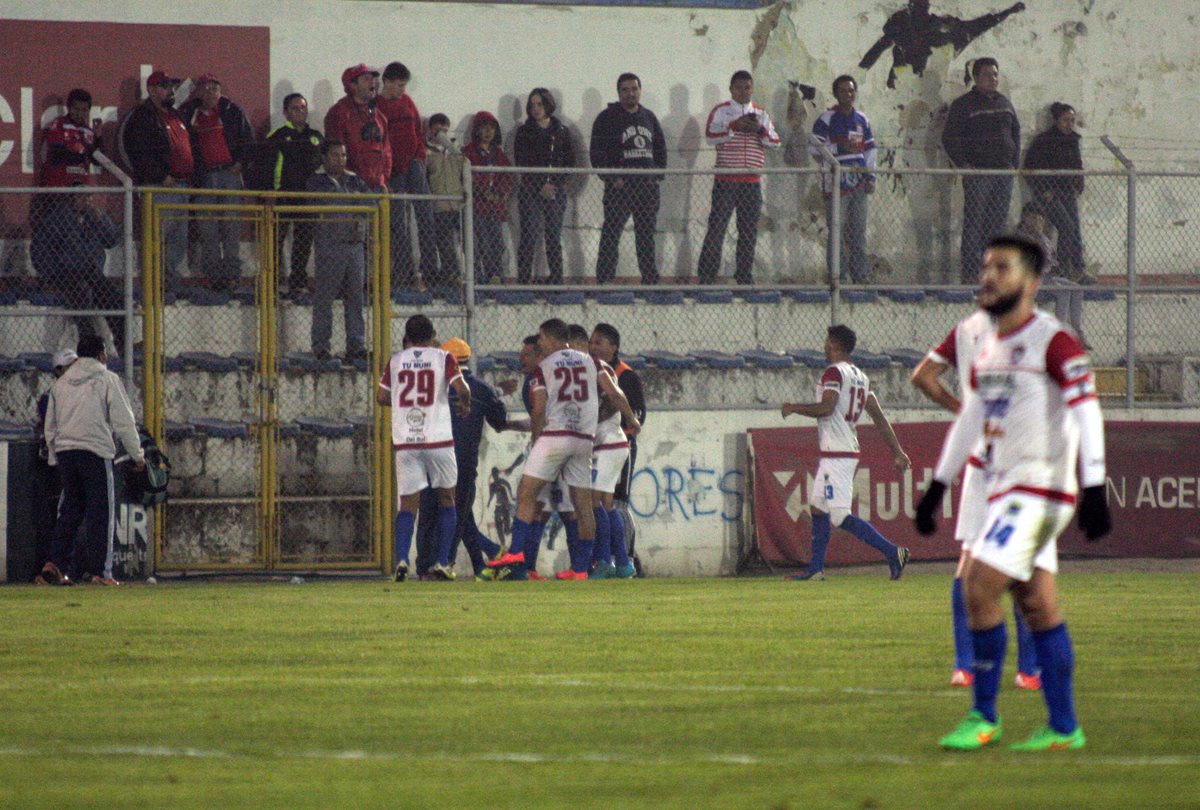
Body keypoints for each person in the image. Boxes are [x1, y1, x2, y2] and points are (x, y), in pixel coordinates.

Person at [916, 234, 1112, 751]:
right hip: (1005, 488)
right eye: (985, 267)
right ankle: (1064, 727)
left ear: (1031, 282)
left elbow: (1087, 410)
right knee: (1038, 604)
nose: (989, 276)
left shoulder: (1054, 340)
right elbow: (973, 416)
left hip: (1040, 489)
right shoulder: (989, 345)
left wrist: (1094, 485)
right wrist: (938, 484)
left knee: (978, 586)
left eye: (1001, 268)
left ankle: (983, 716)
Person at [911, 306, 1043, 691]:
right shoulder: (1036, 331)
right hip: (1019, 462)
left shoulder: (967, 330)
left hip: (980, 462)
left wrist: (963, 410)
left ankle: (964, 667)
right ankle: (1029, 671)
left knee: (968, 563)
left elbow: (923, 377)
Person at [488, 318, 640, 579]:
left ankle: (515, 553)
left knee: (527, 492)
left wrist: (537, 442)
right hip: (584, 440)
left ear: (553, 339)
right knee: (584, 505)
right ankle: (582, 568)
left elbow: (538, 411)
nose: (540, 343)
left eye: (542, 338)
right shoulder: (592, 362)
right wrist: (632, 419)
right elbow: (615, 393)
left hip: (556, 437)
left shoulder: (544, 367)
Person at [781, 325, 911, 580]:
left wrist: (795, 407)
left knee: (839, 516)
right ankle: (816, 570)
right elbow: (878, 417)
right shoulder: (861, 377)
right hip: (843, 451)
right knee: (818, 507)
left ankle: (893, 551)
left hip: (837, 454)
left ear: (834, 344)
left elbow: (827, 408)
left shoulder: (834, 373)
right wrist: (898, 451)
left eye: (827, 342)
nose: (824, 346)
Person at [39, 335, 145, 586]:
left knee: (70, 511)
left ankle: (55, 564)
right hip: (95, 451)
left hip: (66, 453)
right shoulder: (107, 379)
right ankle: (101, 572)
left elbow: (50, 426)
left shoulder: (60, 384)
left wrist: (55, 456)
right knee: (101, 513)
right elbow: (124, 421)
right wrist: (137, 455)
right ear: (101, 354)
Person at [377, 315, 471, 581]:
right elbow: (461, 388)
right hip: (439, 439)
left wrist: (405, 404)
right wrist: (465, 403)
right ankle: (442, 561)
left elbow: (382, 396)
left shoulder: (396, 361)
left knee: (407, 504)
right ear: (433, 335)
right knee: (447, 499)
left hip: (407, 441)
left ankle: (402, 559)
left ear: (407, 336)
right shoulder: (443, 357)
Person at [414, 338, 508, 580]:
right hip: (465, 461)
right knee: (458, 512)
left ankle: (430, 564)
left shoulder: (433, 386)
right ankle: (462, 559)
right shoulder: (481, 389)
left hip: (432, 456)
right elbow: (499, 421)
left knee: (430, 512)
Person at [697, 70, 781, 286]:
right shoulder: (721, 111)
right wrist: (735, 126)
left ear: (753, 89)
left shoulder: (761, 114)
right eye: (739, 87)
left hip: (751, 183)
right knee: (717, 229)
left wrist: (759, 130)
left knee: (749, 232)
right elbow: (710, 138)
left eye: (747, 87)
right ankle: (707, 277)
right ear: (731, 89)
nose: (743, 91)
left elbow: (775, 142)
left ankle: (744, 276)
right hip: (726, 180)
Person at [942, 57, 1020, 284]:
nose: (992, 79)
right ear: (976, 77)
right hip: (978, 173)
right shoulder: (964, 105)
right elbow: (949, 137)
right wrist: (963, 164)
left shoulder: (1005, 103)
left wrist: (1013, 161)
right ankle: (970, 274)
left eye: (995, 75)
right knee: (975, 223)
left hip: (1003, 174)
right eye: (987, 75)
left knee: (997, 224)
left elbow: (1015, 132)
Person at [571, 325, 640, 580]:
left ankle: (605, 561)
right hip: (610, 444)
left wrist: (631, 419)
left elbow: (615, 397)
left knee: (594, 502)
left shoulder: (596, 367)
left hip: (609, 443)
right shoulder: (588, 369)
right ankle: (622, 563)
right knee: (606, 504)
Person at [178, 74, 255, 291]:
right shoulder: (188, 113)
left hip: (229, 174)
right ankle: (213, 276)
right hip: (204, 177)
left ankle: (232, 275)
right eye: (206, 88)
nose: (211, 92)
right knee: (207, 228)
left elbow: (248, 140)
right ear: (198, 91)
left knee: (231, 226)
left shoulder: (233, 111)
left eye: (215, 88)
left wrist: (240, 163)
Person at [590, 73, 667, 285]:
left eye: (634, 89)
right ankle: (605, 278)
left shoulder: (649, 118)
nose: (630, 93)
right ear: (619, 93)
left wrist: (657, 175)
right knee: (611, 233)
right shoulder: (606, 118)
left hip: (647, 188)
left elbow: (660, 148)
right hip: (620, 189)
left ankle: (649, 278)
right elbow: (596, 153)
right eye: (625, 90)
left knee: (646, 235)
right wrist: (611, 177)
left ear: (640, 90)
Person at [118, 70, 193, 288]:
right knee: (157, 237)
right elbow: (137, 152)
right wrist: (161, 175)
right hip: (159, 186)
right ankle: (154, 284)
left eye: (172, 87)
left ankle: (169, 282)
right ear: (151, 90)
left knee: (178, 239)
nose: (171, 91)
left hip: (182, 185)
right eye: (165, 86)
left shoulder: (176, 115)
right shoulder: (143, 116)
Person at [29, 186, 124, 356]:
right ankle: (89, 348)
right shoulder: (56, 219)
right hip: (64, 273)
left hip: (91, 273)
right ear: (71, 198)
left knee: (115, 298)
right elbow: (39, 252)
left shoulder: (93, 218)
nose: (86, 201)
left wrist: (101, 219)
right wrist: (52, 273)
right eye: (81, 197)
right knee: (81, 293)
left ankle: (124, 346)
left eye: (88, 197)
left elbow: (111, 240)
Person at [305, 140, 371, 363]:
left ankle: (356, 345)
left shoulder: (355, 179)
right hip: (330, 245)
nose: (341, 160)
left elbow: (370, 204)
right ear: (324, 157)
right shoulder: (316, 181)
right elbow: (320, 205)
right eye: (335, 155)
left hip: (355, 245)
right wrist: (351, 202)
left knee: (356, 299)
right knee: (324, 299)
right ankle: (321, 346)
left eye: (343, 155)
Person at [589, 322, 645, 574]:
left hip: (620, 443)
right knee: (605, 502)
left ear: (613, 347)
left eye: (598, 342)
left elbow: (638, 413)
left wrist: (620, 422)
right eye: (591, 342)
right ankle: (614, 559)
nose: (593, 346)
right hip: (601, 443)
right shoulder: (591, 370)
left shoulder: (624, 375)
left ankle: (626, 556)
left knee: (618, 503)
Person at [810, 75, 877, 284]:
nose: (848, 94)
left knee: (858, 232)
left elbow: (870, 150)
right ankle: (838, 278)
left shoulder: (862, 119)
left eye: (851, 90)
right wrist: (839, 148)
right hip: (836, 183)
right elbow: (813, 148)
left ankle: (861, 277)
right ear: (836, 94)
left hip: (858, 182)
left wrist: (870, 176)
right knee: (836, 231)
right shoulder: (826, 119)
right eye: (843, 91)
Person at [379, 62, 435, 289]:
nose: (402, 90)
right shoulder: (378, 106)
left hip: (413, 165)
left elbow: (419, 132)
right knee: (399, 223)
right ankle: (403, 272)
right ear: (388, 82)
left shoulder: (408, 102)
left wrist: (420, 155)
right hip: (394, 171)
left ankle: (430, 271)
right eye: (399, 85)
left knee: (426, 217)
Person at [1023, 102, 1090, 283]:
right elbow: (1030, 167)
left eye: (1072, 120)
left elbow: (1077, 164)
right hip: (1050, 192)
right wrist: (1044, 188)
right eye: (1065, 120)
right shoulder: (1044, 141)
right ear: (1056, 120)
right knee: (1066, 226)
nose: (1069, 124)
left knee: (1075, 229)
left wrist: (1078, 182)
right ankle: (1061, 267)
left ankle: (1077, 268)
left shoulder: (1073, 140)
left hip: (1067, 191)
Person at [513, 88, 575, 285]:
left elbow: (570, 160)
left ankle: (556, 278)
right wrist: (541, 184)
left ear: (548, 104)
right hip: (531, 190)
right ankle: (524, 278)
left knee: (553, 236)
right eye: (532, 105)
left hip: (556, 191)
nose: (536, 109)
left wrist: (555, 184)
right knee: (528, 234)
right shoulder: (524, 131)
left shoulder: (562, 131)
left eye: (539, 104)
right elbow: (522, 160)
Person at [265, 92, 324, 293]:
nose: (300, 112)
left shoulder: (316, 137)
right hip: (282, 197)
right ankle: (271, 283)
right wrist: (269, 193)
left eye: (303, 108)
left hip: (308, 199)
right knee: (275, 242)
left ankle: (298, 282)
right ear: (285, 112)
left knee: (303, 242)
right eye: (295, 108)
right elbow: (265, 168)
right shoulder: (277, 136)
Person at [32, 349, 77, 576]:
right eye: (67, 366)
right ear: (58, 371)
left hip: (67, 457)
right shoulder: (52, 396)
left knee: (69, 511)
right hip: (59, 460)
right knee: (62, 512)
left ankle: (64, 565)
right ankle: (54, 565)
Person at [1015, 202, 1086, 345]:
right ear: (1024, 219)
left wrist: (1057, 269)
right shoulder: (1020, 238)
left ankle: (1078, 330)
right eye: (1033, 218)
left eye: (1040, 219)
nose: (1037, 222)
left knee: (1076, 288)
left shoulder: (1044, 239)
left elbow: (1052, 260)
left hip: (1047, 278)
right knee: (1063, 292)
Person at [463, 110, 513, 285]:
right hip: (477, 207)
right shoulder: (468, 153)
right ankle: (478, 277)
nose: (488, 132)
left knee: (497, 244)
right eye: (484, 128)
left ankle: (496, 275)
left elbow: (508, 176)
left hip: (495, 208)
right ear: (477, 130)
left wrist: (498, 193)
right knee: (479, 244)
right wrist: (483, 191)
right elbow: (467, 178)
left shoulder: (498, 154)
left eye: (492, 128)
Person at [323, 64, 391, 191]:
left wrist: (384, 179)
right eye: (366, 79)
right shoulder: (339, 113)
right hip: (350, 188)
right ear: (353, 86)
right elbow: (334, 152)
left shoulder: (379, 116)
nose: (373, 82)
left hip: (377, 187)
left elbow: (386, 150)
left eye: (373, 78)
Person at [424, 113, 464, 288]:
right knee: (446, 243)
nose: (441, 134)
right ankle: (450, 275)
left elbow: (464, 172)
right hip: (439, 204)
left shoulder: (455, 151)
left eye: (444, 131)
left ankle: (470, 275)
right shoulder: (426, 152)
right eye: (438, 130)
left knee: (468, 242)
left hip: (458, 203)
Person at [40, 88, 101, 189]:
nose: (79, 114)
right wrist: (82, 153)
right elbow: (57, 154)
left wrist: (98, 137)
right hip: (58, 188)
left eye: (84, 110)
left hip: (80, 189)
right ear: (68, 107)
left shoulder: (89, 132)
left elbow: (97, 161)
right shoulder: (59, 124)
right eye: (76, 109)